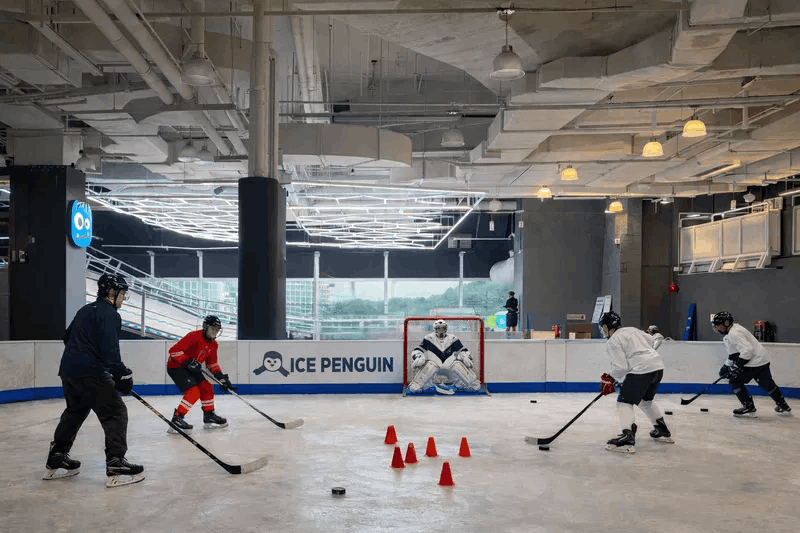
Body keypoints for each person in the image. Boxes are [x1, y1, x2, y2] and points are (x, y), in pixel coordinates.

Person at [44, 273, 145, 488]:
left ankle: (57, 456)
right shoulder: (110, 314)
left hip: (69, 371)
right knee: (116, 412)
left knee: (75, 411)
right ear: (112, 291)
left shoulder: (85, 310)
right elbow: (110, 350)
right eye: (122, 293)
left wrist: (82, 357)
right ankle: (116, 462)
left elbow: (67, 337)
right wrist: (121, 373)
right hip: (91, 372)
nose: (123, 298)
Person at [599, 311, 673, 453]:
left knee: (624, 402)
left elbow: (621, 367)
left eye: (603, 327)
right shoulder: (632, 330)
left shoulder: (613, 341)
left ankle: (627, 438)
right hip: (657, 367)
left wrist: (610, 378)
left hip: (641, 370)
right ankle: (661, 430)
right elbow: (651, 341)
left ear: (606, 327)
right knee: (646, 401)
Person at [711, 311, 791, 417]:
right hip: (762, 359)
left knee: (735, 381)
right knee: (766, 384)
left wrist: (736, 366)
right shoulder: (734, 329)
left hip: (753, 361)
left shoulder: (734, 334)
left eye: (719, 326)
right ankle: (783, 405)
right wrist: (726, 366)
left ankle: (748, 406)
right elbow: (733, 354)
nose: (717, 329)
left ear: (726, 323)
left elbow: (747, 351)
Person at [166, 315, 236, 433]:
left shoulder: (214, 345)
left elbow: (212, 364)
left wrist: (221, 378)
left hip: (193, 369)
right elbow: (173, 351)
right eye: (212, 329)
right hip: (177, 367)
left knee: (207, 388)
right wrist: (188, 361)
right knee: (193, 392)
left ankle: (209, 415)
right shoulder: (193, 336)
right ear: (205, 327)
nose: (215, 332)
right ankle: (177, 418)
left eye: (217, 330)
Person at [407, 319, 481, 395]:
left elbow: (462, 350)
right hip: (434, 363)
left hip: (450, 363)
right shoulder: (429, 338)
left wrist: (465, 357)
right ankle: (416, 386)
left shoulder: (453, 338)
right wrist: (418, 356)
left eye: (442, 328)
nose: (440, 330)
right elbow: (418, 350)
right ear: (434, 328)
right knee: (429, 366)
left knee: (457, 365)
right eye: (438, 328)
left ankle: (473, 385)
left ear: (446, 328)